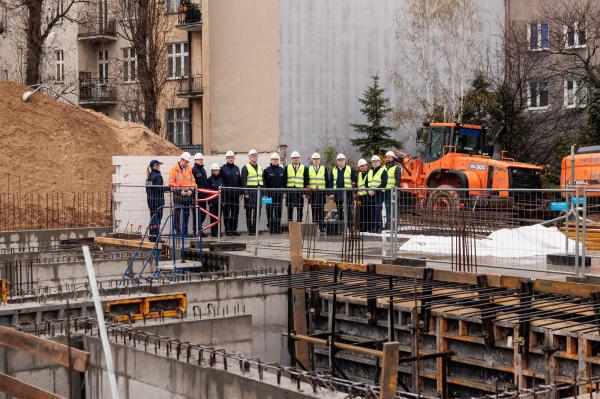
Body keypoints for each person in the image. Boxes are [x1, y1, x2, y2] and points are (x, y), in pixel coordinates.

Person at [168, 152, 195, 236]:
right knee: (177, 213)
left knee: (186, 213)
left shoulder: (189, 169)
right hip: (178, 195)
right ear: (181, 160)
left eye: (188, 162)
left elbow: (193, 182)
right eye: (186, 162)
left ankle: (185, 231)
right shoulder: (173, 169)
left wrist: (191, 190)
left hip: (187, 195)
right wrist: (180, 191)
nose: (187, 163)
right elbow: (171, 183)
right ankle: (178, 232)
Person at [329, 153, 357, 227]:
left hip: (348, 193)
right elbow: (331, 182)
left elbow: (354, 181)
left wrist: (354, 192)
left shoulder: (350, 169)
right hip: (337, 193)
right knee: (339, 210)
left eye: (342, 160)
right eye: (339, 160)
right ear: (337, 161)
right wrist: (331, 193)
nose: (340, 161)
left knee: (348, 209)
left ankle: (350, 226)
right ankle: (341, 227)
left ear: (345, 161)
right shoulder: (334, 170)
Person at [307, 152, 332, 233]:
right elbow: (307, 181)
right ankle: (314, 227)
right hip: (312, 193)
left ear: (320, 160)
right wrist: (307, 193)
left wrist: (328, 193)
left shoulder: (324, 169)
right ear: (312, 160)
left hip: (321, 193)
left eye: (317, 159)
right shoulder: (309, 169)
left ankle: (322, 227)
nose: (316, 161)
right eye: (314, 159)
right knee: (314, 209)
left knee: (321, 210)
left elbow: (327, 181)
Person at [241, 149, 263, 235]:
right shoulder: (245, 167)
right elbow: (244, 181)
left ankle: (255, 229)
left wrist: (264, 194)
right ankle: (250, 230)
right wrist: (245, 193)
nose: (255, 157)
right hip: (250, 193)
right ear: (249, 157)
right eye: (253, 156)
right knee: (249, 212)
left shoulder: (260, 167)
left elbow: (263, 181)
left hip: (259, 192)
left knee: (258, 212)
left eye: (256, 155)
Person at [145, 160, 168, 241]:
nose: (159, 167)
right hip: (158, 201)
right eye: (158, 165)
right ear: (155, 166)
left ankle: (152, 236)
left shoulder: (149, 176)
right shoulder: (158, 176)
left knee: (153, 218)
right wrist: (169, 188)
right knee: (157, 219)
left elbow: (148, 190)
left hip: (150, 201)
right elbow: (159, 188)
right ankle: (157, 237)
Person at [220, 150, 242, 236]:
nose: (230, 159)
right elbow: (221, 182)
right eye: (229, 158)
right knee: (227, 213)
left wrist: (241, 192)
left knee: (235, 213)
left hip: (235, 195)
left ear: (234, 158)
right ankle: (228, 230)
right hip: (226, 195)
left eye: (232, 157)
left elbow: (239, 181)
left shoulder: (237, 168)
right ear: (226, 158)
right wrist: (223, 196)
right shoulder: (223, 169)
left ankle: (234, 230)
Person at [263, 152, 285, 234]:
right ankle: (271, 228)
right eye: (274, 160)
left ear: (278, 160)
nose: (275, 161)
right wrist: (264, 194)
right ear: (271, 160)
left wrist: (284, 192)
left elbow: (284, 183)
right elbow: (264, 183)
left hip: (279, 195)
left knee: (278, 211)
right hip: (268, 195)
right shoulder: (266, 170)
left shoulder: (282, 170)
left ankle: (277, 228)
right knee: (269, 211)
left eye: (276, 160)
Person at [284, 151, 307, 223]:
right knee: (289, 211)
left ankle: (299, 227)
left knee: (300, 210)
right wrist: (285, 192)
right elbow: (284, 180)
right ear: (291, 159)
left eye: (297, 158)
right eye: (294, 158)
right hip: (290, 192)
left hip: (300, 192)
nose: (295, 159)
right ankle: (290, 228)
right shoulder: (287, 168)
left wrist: (305, 193)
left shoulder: (304, 168)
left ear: (299, 158)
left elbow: (306, 181)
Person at [367, 155, 388, 233]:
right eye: (373, 162)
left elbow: (384, 183)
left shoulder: (383, 171)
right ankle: (373, 227)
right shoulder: (370, 171)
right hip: (370, 193)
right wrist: (368, 190)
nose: (375, 163)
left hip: (379, 193)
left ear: (379, 162)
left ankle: (378, 228)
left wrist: (375, 191)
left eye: (376, 162)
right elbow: (367, 182)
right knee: (372, 211)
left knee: (378, 210)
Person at [384, 150, 402, 230]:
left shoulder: (397, 168)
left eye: (389, 157)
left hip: (394, 191)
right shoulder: (384, 167)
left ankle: (396, 224)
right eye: (386, 157)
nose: (387, 159)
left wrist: (395, 189)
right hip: (386, 190)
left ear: (393, 158)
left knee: (394, 207)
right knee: (387, 207)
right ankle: (389, 223)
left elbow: (398, 180)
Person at [192, 152, 208, 237]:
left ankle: (200, 229)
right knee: (196, 214)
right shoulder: (194, 170)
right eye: (199, 159)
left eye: (202, 159)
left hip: (203, 196)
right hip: (197, 197)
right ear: (195, 160)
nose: (201, 161)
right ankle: (196, 231)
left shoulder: (203, 170)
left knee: (203, 214)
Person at [206, 163, 223, 237]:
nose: (215, 172)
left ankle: (218, 232)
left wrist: (223, 201)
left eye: (216, 170)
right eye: (213, 170)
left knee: (219, 217)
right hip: (213, 202)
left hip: (220, 202)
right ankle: (214, 233)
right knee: (213, 217)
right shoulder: (209, 180)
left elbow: (224, 191)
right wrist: (209, 202)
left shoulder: (222, 179)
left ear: (218, 170)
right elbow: (207, 191)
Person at [356, 159, 370, 232]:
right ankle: (361, 228)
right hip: (360, 197)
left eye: (363, 166)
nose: (362, 167)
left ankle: (367, 227)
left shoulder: (369, 173)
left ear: (366, 166)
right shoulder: (359, 174)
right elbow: (357, 185)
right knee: (361, 213)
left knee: (367, 213)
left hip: (367, 196)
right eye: (361, 166)